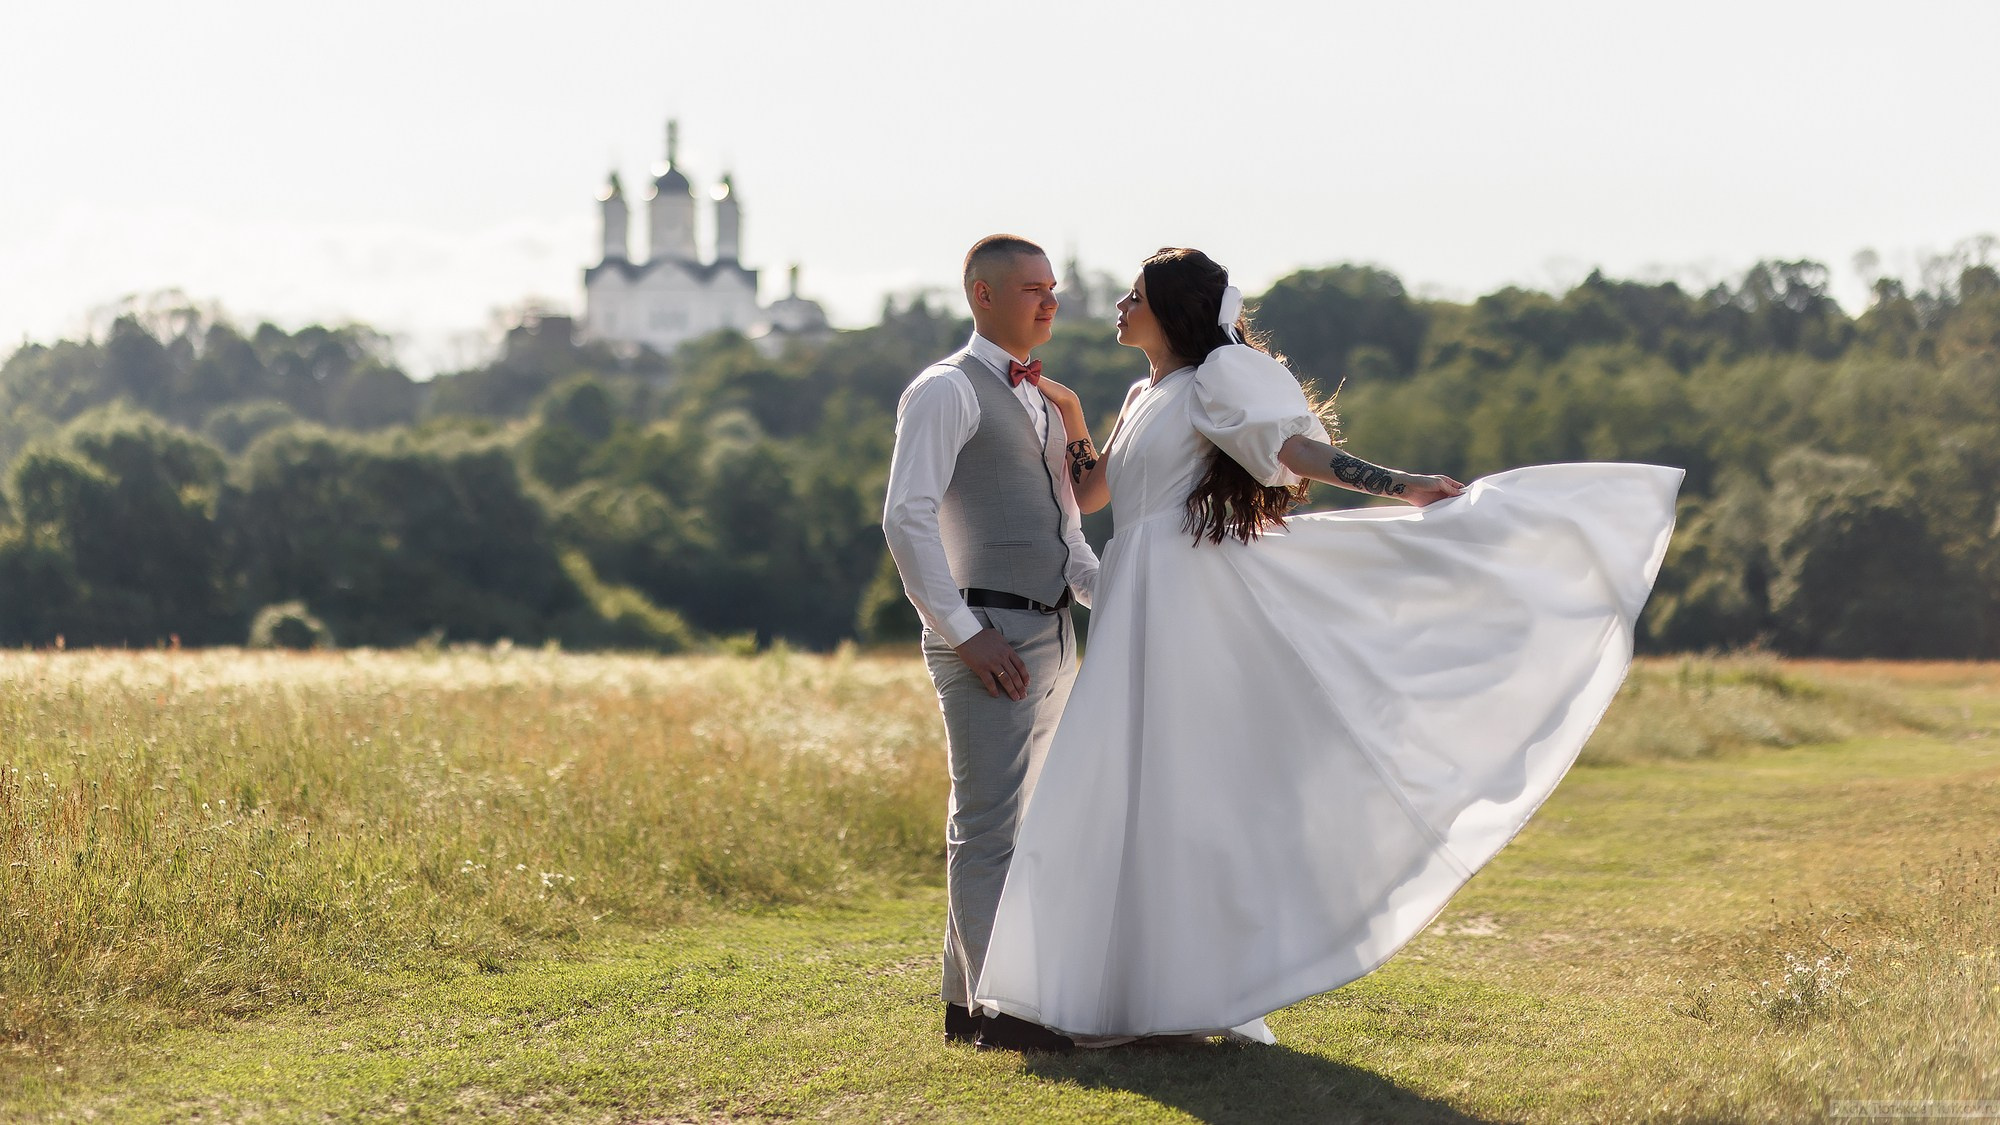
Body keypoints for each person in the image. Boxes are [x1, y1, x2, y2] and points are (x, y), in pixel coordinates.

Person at [971, 247, 1682, 1044]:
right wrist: (1070, 414)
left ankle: (1185, 993)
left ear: (1167, 309)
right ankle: (1134, 992)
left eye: (1132, 295)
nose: (1116, 305)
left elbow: (1292, 452)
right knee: (1126, 784)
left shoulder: (1215, 382)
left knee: (1185, 783)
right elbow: (1098, 490)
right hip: (1136, 591)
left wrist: (1399, 483)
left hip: (1188, 600)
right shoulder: (1143, 393)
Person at [881, 235, 1099, 1052]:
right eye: (1032, 289)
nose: (1050, 302)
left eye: (1054, 288)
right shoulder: (945, 390)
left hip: (1052, 632)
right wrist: (966, 635)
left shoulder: (1041, 399)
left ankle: (963, 999)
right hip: (989, 632)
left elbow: (1068, 533)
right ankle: (1003, 1009)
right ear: (981, 294)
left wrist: (1122, 598)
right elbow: (906, 518)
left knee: (1016, 822)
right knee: (987, 826)